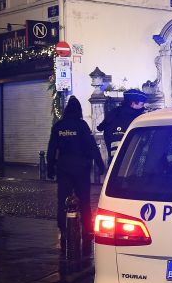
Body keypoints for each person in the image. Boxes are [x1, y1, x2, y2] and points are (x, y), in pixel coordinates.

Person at [47, 96, 106, 255]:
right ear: (79, 110)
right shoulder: (81, 126)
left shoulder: (59, 126)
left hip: (64, 167)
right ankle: (87, 229)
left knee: (62, 200)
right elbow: (92, 146)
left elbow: (52, 148)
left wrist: (50, 168)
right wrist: (100, 165)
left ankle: (63, 229)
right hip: (81, 168)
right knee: (84, 200)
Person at [97, 88, 147, 160]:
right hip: (129, 159)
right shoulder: (136, 117)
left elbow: (100, 127)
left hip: (113, 156)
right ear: (133, 104)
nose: (143, 107)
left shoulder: (114, 112)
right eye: (141, 104)